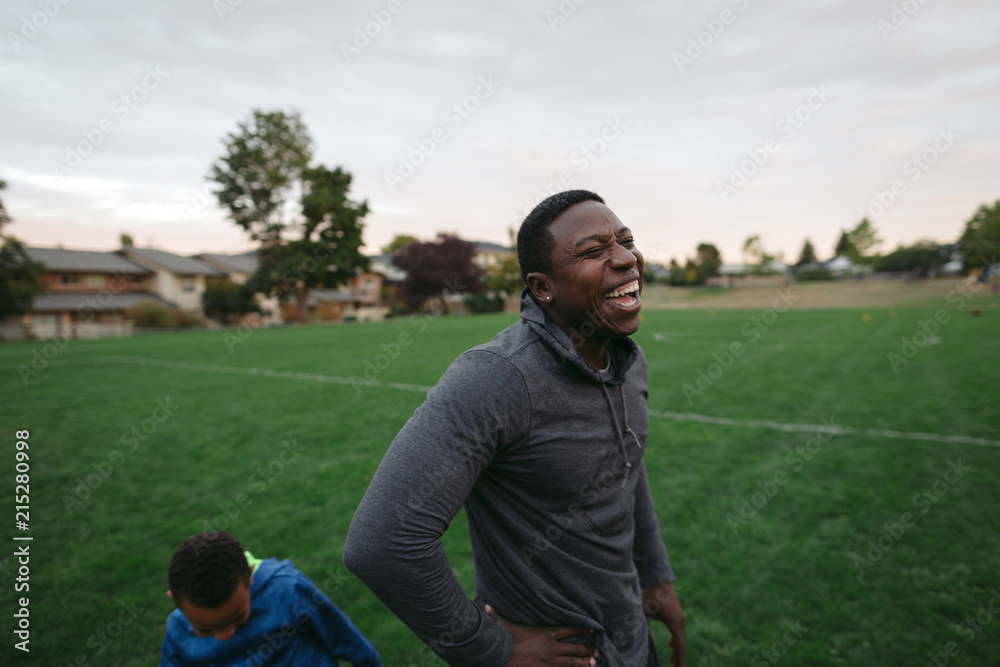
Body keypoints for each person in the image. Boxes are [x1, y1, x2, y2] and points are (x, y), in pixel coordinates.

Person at [344, 190, 686, 667]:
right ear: (542, 288)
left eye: (626, 242)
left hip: (631, 637)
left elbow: (627, 467)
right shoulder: (495, 379)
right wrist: (490, 649)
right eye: (593, 251)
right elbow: (381, 543)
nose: (627, 259)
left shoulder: (627, 360)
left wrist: (655, 576)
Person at [160, 531, 382, 666]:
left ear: (250, 577)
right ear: (175, 601)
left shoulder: (286, 588)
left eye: (238, 618)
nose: (224, 635)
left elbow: (345, 640)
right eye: (205, 631)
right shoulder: (177, 628)